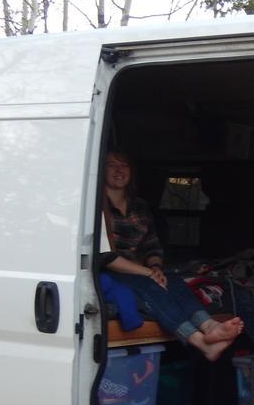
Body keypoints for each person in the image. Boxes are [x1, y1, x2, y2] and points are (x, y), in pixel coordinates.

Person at [101, 150, 243, 361]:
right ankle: (200, 342)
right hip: (111, 271)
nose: (119, 170)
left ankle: (210, 326)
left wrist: (156, 268)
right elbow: (105, 256)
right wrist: (148, 273)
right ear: (102, 170)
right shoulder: (96, 207)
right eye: (112, 165)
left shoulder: (139, 206)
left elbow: (152, 246)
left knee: (173, 282)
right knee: (152, 286)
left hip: (140, 268)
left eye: (124, 165)